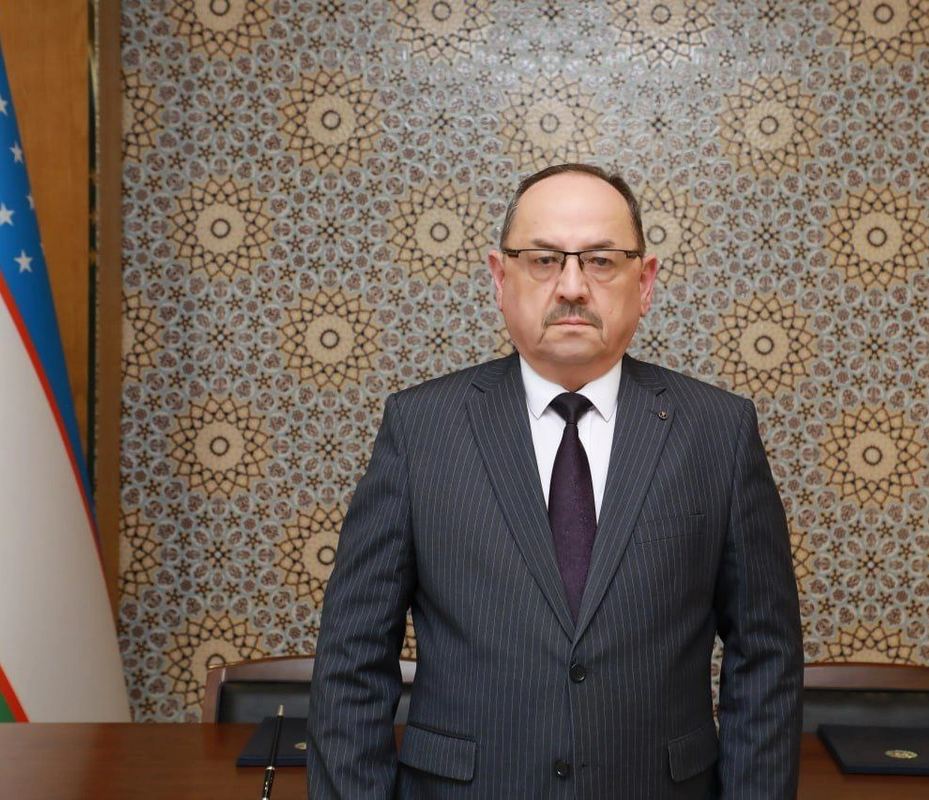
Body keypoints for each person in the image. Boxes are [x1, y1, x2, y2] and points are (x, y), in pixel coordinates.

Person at [307, 163, 803, 799]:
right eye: (543, 260)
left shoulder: (719, 431)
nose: (572, 286)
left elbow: (766, 657)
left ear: (645, 282)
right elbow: (351, 661)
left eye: (601, 261)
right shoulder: (420, 428)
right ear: (499, 278)